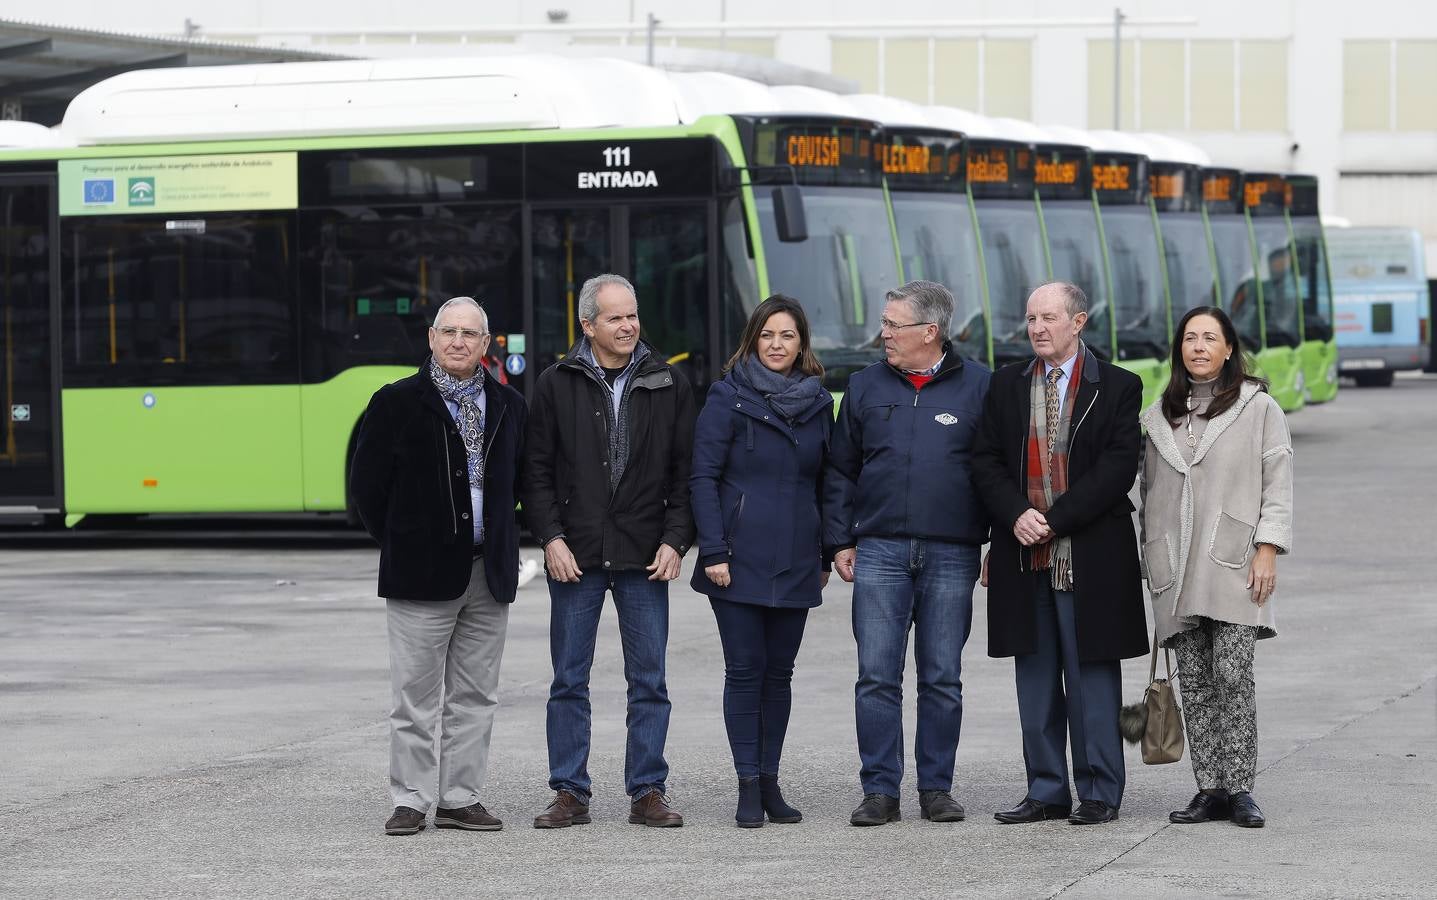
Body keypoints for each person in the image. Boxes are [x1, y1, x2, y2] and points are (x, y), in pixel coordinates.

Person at [522, 273, 696, 829]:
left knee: (650, 680)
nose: (628, 326)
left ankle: (648, 790)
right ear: (588, 325)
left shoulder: (669, 382)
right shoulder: (555, 383)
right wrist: (550, 538)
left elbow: (686, 475)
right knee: (569, 679)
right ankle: (569, 791)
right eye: (615, 317)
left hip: (646, 555)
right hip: (575, 556)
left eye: (633, 315)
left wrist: (675, 541)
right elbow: (538, 472)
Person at [971, 281, 1148, 826]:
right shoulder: (1005, 384)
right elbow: (983, 461)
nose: (1038, 329)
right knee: (1036, 677)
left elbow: (1118, 469)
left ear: (1079, 321)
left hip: (1089, 555)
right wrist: (1016, 514)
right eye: (1030, 319)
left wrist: (1053, 519)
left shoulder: (1117, 386)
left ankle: (1098, 792)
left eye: (1049, 317)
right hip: (1023, 554)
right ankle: (1046, 789)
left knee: (1092, 674)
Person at [349, 296, 527, 836]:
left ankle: (459, 798)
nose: (458, 341)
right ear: (430, 338)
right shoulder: (397, 403)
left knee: (476, 695)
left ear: (486, 343)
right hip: (419, 575)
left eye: (470, 333)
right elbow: (366, 492)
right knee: (415, 698)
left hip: (486, 574)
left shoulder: (508, 405)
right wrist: (406, 542)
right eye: (448, 331)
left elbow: (519, 484)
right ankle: (410, 800)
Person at [824, 280, 992, 827]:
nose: (884, 334)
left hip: (953, 552)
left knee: (942, 676)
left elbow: (996, 473)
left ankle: (937, 788)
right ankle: (879, 791)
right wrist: (840, 540)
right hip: (879, 551)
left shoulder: (981, 388)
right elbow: (840, 470)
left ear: (930, 331)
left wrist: (994, 543)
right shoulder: (864, 387)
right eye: (885, 322)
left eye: (894, 324)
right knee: (876, 675)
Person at [1139, 305, 1293, 829]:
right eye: (1189, 338)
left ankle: (1242, 787)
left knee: (1234, 674)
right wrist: (1147, 555)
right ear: (1179, 349)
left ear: (1230, 348)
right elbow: (1148, 491)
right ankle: (1210, 789)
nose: (1199, 347)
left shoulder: (1258, 407)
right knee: (1197, 682)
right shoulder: (1158, 415)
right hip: (1173, 567)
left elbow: (1278, 481)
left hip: (1233, 563)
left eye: (1210, 338)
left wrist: (1268, 546)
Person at [690, 295, 833, 828]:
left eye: (787, 336)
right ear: (752, 340)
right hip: (737, 559)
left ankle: (772, 783)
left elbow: (825, 483)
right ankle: (747, 784)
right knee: (745, 672)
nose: (777, 345)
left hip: (797, 558)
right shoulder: (727, 398)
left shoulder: (820, 404)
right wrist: (714, 550)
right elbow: (702, 477)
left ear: (802, 344)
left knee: (781, 675)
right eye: (768, 335)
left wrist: (825, 549)